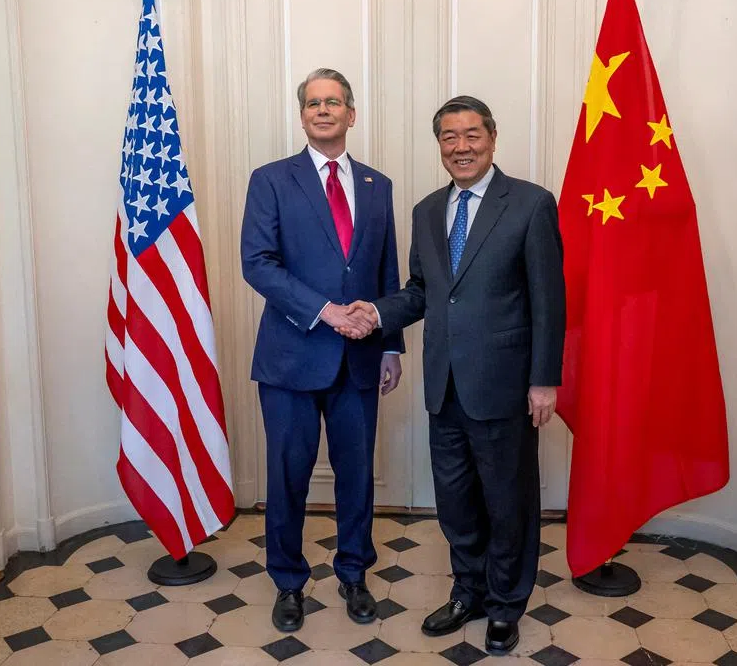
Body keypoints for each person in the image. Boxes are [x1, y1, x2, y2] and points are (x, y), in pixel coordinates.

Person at [342, 95, 565, 655]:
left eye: (471, 135)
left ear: (492, 137)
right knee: (457, 501)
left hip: (505, 384)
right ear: (439, 144)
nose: (461, 147)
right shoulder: (425, 210)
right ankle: (468, 590)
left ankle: (505, 605)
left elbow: (548, 299)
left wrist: (544, 380)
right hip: (443, 385)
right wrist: (375, 313)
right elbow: (422, 291)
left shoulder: (531, 204)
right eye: (449, 137)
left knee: (508, 500)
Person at [240, 68, 403, 633]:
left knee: (357, 474)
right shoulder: (271, 180)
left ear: (351, 114)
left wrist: (391, 348)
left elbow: (387, 270)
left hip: (360, 359)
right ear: (302, 115)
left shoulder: (377, 185)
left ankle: (354, 573)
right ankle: (288, 581)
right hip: (290, 357)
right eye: (313, 103)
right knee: (289, 474)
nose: (323, 111)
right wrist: (324, 311)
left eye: (333, 102)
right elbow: (257, 263)